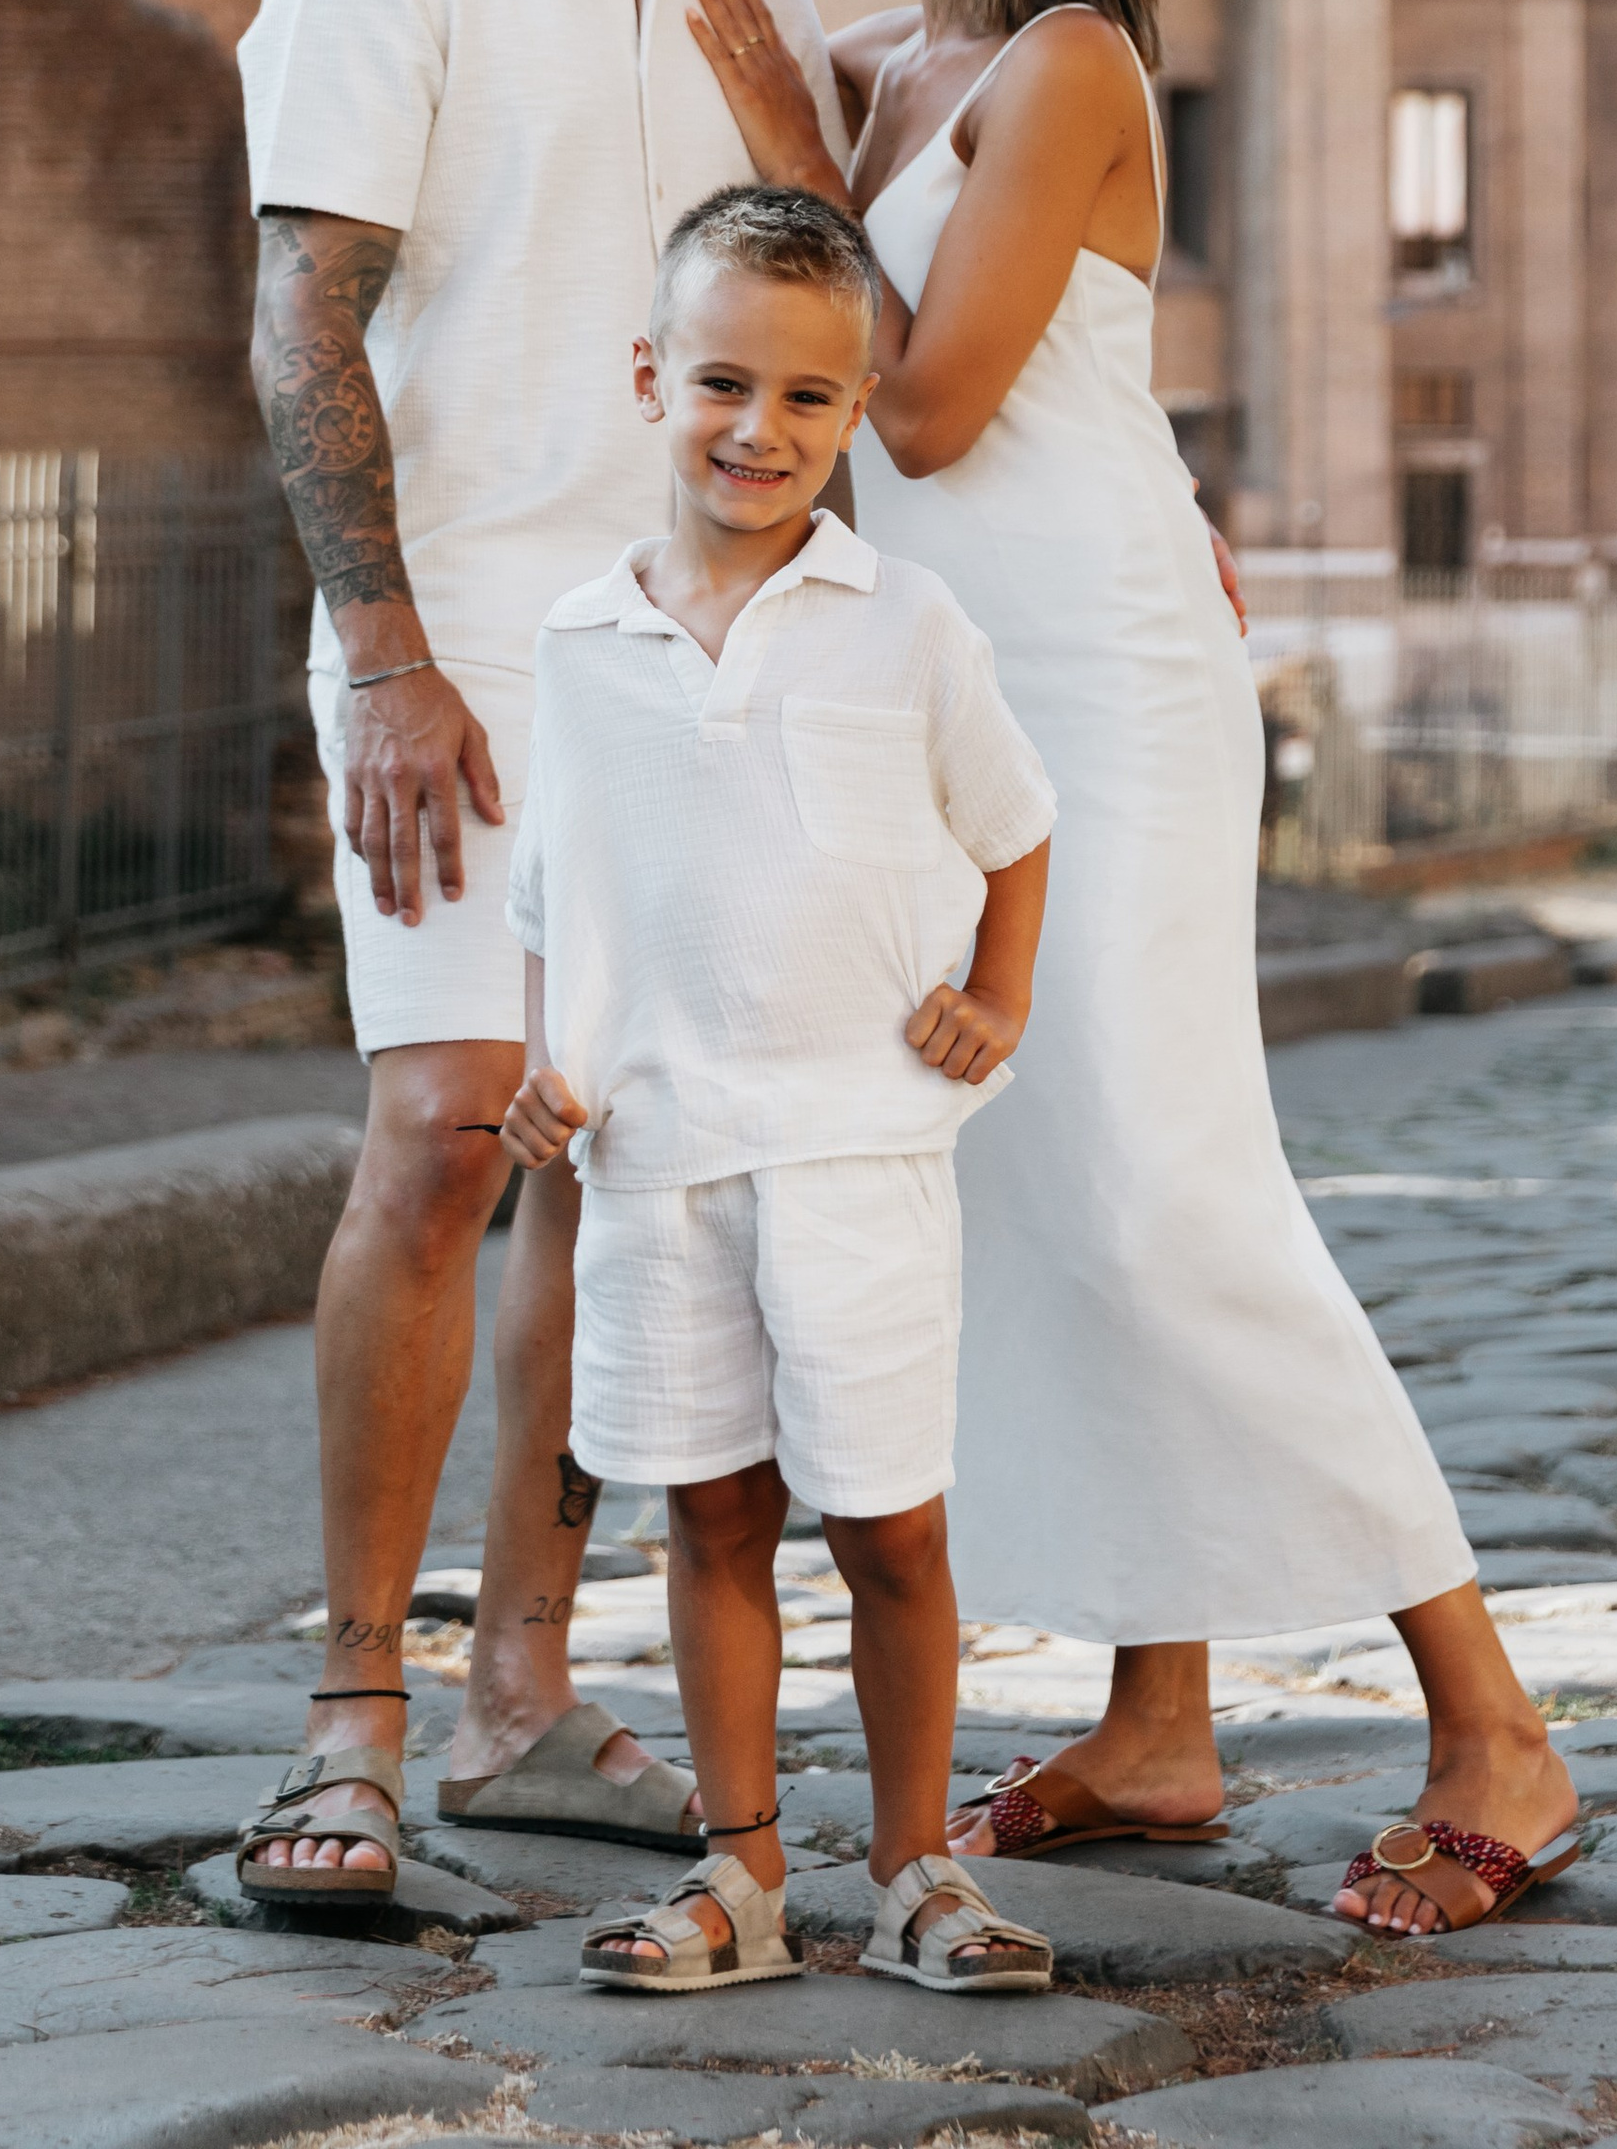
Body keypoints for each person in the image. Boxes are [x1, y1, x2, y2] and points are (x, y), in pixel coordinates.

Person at [684, 0, 1581, 1943]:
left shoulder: (1067, 66)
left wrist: (786, 161)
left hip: (1098, 669)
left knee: (1165, 1186)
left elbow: (940, 403)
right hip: (949, 687)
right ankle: (1156, 1718)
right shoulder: (880, 64)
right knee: (1036, 1191)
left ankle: (1493, 1720)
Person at [231, 0, 848, 1900]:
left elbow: (856, 316)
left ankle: (517, 1684)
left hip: (686, 659)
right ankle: (349, 1718)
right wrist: (376, 650)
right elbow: (303, 315)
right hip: (460, 641)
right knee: (442, 1124)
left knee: (594, 1157)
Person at [500, 181, 1060, 1998]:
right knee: (709, 1509)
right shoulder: (578, 645)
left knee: (889, 1520)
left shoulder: (905, 625)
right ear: (652, 374)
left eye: (812, 399)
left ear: (859, 400)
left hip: (858, 1146)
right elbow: (549, 898)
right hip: (658, 1162)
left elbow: (1018, 825)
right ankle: (738, 1872)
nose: (763, 430)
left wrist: (998, 990)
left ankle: (918, 1867)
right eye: (725, 383)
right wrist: (541, 1067)